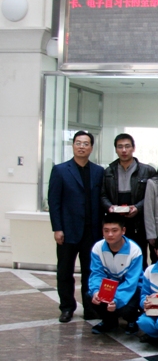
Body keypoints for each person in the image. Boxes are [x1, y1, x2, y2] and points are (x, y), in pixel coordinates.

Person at [48, 131, 105, 323]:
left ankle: (90, 308)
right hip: (68, 230)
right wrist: (57, 228)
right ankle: (67, 307)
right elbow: (54, 202)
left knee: (90, 272)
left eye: (86, 143)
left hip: (92, 231)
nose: (82, 147)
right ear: (73, 145)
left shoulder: (98, 171)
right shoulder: (60, 170)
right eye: (78, 143)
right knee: (65, 271)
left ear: (91, 147)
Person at [101, 133, 156, 269]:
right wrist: (110, 207)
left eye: (127, 146)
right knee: (116, 259)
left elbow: (153, 197)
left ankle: (139, 282)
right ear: (116, 149)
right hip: (116, 221)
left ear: (133, 148)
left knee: (139, 258)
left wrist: (138, 207)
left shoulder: (147, 171)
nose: (124, 150)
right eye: (120, 147)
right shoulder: (109, 171)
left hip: (139, 222)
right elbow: (102, 195)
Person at [88, 213, 143, 335]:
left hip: (132, 288)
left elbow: (131, 282)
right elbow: (96, 273)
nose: (110, 234)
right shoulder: (97, 248)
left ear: (123, 231)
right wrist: (96, 291)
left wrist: (116, 299)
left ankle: (132, 321)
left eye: (114, 230)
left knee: (127, 306)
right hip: (109, 287)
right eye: (106, 231)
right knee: (90, 296)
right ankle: (109, 322)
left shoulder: (134, 250)